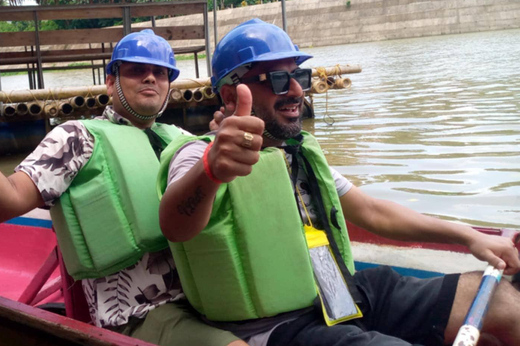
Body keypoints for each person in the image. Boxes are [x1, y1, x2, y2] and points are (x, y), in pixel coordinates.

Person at [157, 18, 520, 346]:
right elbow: (175, 225)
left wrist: (469, 235)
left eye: (298, 77)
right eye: (279, 80)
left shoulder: (297, 150)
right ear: (231, 95)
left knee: (502, 302)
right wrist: (211, 171)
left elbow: (374, 212)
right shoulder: (199, 155)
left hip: (341, 292)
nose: (298, 92)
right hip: (278, 326)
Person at [0, 29, 246, 346]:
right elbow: (5, 200)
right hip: (140, 312)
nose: (150, 78)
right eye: (136, 70)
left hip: (207, 292)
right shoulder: (76, 138)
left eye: (161, 74)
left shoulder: (182, 140)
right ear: (111, 82)